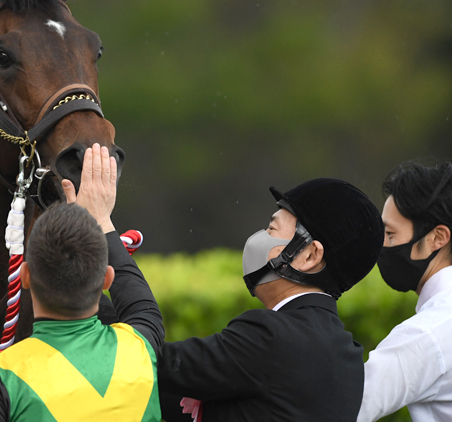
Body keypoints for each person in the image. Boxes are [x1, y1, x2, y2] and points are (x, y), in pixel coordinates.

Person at [0, 144, 165, 422]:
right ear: (106, 279)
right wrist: (100, 220)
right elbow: (140, 304)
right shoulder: (140, 348)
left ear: (24, 276)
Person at [157, 178, 384, 422]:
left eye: (271, 229)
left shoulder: (272, 335)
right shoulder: (347, 355)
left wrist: (124, 272)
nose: (261, 237)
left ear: (310, 256)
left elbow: (155, 365)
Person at [357, 162, 452, 422]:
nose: (382, 245)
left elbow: (342, 408)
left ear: (438, 237)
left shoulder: (426, 335)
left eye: (389, 234)